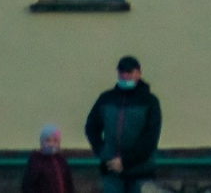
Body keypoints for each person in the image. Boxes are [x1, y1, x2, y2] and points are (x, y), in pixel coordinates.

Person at [85, 55, 163, 193]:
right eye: (122, 72)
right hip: (111, 172)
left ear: (138, 73)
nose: (125, 76)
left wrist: (126, 162)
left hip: (141, 172)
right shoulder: (106, 98)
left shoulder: (150, 101)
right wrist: (103, 152)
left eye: (129, 72)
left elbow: (150, 138)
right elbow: (91, 126)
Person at [22, 126, 75, 193]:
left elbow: (69, 183)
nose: (51, 144)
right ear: (41, 142)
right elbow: (28, 186)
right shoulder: (36, 161)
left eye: (55, 141)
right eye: (48, 140)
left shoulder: (61, 160)